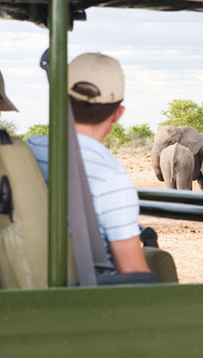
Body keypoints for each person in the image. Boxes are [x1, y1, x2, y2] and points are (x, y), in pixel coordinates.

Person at [27, 53, 153, 278]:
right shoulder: (112, 178)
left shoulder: (30, 148)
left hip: (30, 274)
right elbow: (133, 273)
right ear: (118, 113)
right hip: (90, 293)